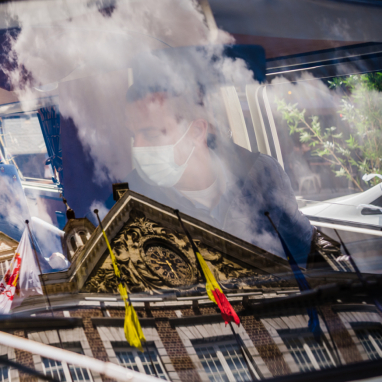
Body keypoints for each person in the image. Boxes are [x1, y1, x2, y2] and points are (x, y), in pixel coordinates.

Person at [123, 73, 316, 267]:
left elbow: (306, 249)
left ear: (196, 132)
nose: (138, 147)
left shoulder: (261, 172)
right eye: (133, 136)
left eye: (151, 134)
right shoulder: (129, 199)